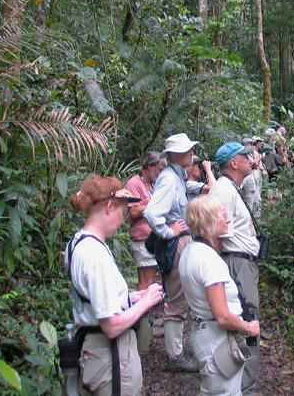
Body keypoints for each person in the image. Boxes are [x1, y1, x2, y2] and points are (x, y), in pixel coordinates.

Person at [65, 175, 165, 395]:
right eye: (122, 213)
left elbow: (95, 298)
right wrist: (146, 302)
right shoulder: (94, 254)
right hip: (110, 360)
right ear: (110, 206)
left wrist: (134, 298)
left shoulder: (78, 243)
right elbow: (111, 325)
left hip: (95, 351)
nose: (123, 221)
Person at [179, 195, 261, 395]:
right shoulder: (208, 260)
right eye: (223, 215)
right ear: (208, 222)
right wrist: (248, 328)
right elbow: (222, 316)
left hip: (205, 333)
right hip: (217, 340)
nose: (228, 220)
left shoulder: (191, 250)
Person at [144, 133, 200, 373]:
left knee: (183, 297)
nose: (192, 154)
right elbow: (151, 213)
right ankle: (174, 356)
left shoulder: (176, 177)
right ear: (177, 155)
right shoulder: (169, 179)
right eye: (188, 151)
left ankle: (177, 351)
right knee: (177, 300)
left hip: (181, 241)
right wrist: (168, 232)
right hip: (176, 244)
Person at [209, 142, 261, 395]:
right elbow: (215, 234)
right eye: (245, 156)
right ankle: (243, 388)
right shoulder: (223, 191)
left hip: (242, 263)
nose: (251, 159)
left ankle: (241, 385)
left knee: (248, 320)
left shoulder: (230, 188)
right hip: (236, 263)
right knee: (248, 322)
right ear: (233, 162)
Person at [124, 151, 167, 291]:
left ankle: (148, 308)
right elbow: (133, 211)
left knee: (152, 279)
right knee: (145, 280)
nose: (161, 173)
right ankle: (142, 311)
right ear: (149, 166)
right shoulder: (134, 183)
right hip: (142, 239)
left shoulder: (151, 185)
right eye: (160, 169)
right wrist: (155, 204)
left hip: (152, 239)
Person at [239, 137, 261, 218]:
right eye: (250, 144)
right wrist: (257, 157)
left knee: (258, 201)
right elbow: (255, 163)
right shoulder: (243, 155)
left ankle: (256, 223)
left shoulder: (250, 154)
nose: (252, 145)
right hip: (247, 181)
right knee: (249, 204)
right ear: (245, 144)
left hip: (253, 180)